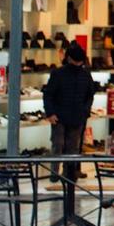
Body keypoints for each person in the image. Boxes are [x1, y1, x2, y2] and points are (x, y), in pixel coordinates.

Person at [41, 41, 94, 184]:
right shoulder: (59, 74)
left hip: (76, 115)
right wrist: (51, 113)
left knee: (72, 147)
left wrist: (85, 111)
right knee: (59, 144)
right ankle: (55, 173)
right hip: (60, 115)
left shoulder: (84, 75)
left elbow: (90, 95)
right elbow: (49, 94)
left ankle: (68, 174)